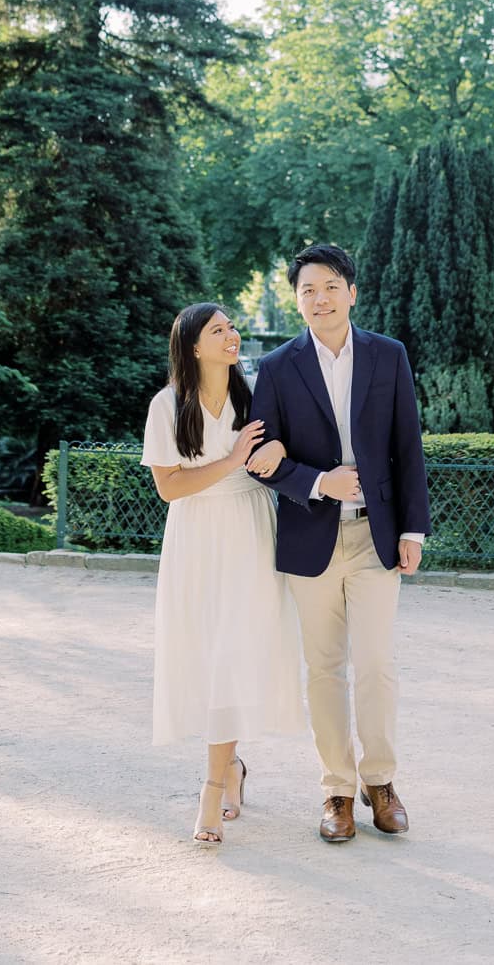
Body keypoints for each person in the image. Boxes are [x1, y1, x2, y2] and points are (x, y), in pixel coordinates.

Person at [251, 242, 431, 844]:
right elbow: (260, 455)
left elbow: (408, 445)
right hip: (311, 538)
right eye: (307, 290)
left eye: (330, 286)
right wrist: (317, 481)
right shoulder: (277, 368)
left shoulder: (389, 356)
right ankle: (337, 790)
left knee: (377, 664)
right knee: (324, 669)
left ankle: (381, 782)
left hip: (376, 537)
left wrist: (412, 528)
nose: (319, 298)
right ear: (296, 299)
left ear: (352, 293)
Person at [141, 302, 304, 845]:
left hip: (251, 533)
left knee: (235, 654)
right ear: (193, 346)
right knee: (207, 655)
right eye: (219, 330)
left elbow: (288, 450)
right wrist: (232, 460)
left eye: (232, 326)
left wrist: (275, 447)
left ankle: (213, 786)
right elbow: (169, 487)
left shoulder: (254, 394)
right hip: (195, 537)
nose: (232, 335)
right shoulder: (167, 405)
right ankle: (230, 769)